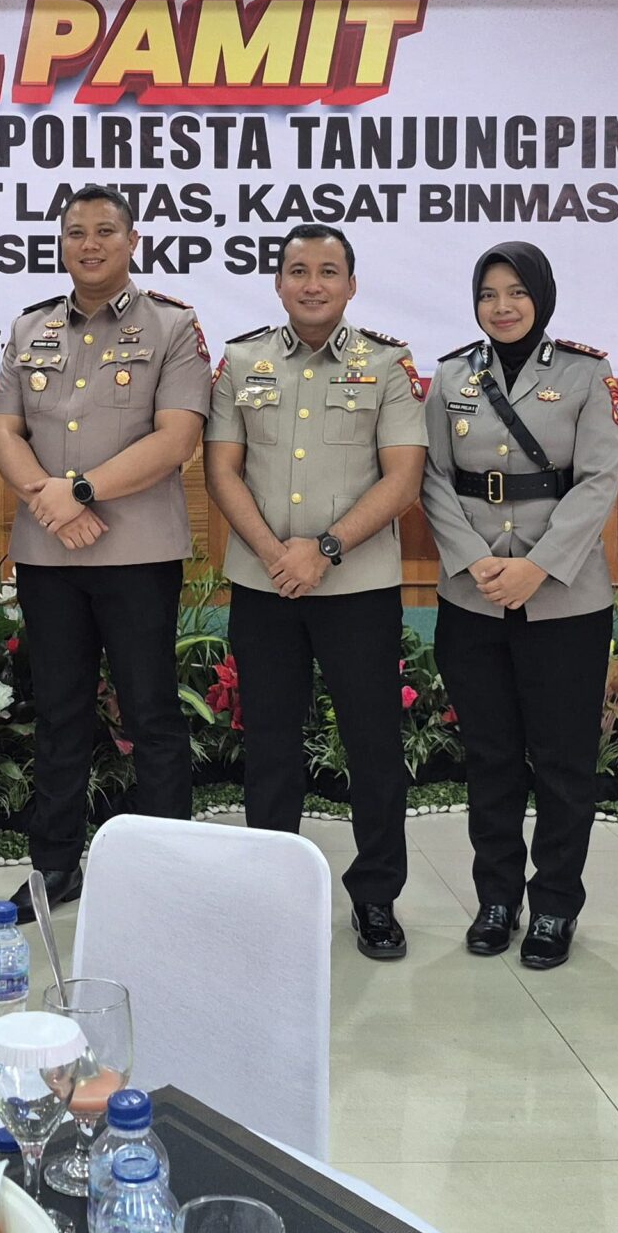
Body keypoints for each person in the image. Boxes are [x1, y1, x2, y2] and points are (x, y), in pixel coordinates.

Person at [0, 184, 210, 920]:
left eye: (105, 231)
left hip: (137, 555)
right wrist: (49, 500)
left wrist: (78, 491)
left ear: (132, 241)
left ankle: (166, 875)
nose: (89, 243)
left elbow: (177, 438)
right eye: (76, 231)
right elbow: (4, 430)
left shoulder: (172, 326)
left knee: (151, 714)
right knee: (59, 715)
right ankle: (55, 869)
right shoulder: (30, 327)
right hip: (49, 556)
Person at [205, 225, 426, 962]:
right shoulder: (242, 361)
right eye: (297, 270)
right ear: (278, 283)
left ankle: (376, 897)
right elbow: (222, 469)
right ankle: (273, 892)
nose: (312, 283)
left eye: (328, 271)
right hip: (265, 584)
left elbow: (403, 477)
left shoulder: (386, 364)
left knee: (372, 743)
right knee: (270, 741)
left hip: (356, 585)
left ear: (351, 285)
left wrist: (324, 550)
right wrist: (278, 556)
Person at [420, 240, 618, 967]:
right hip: (473, 598)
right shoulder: (451, 376)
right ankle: (497, 899)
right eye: (488, 294)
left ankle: (556, 905)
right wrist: (476, 561)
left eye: (516, 292)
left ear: (542, 296)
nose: (502, 307)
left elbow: (599, 479)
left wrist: (538, 567)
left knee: (564, 763)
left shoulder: (584, 373)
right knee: (491, 757)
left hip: (564, 599)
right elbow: (432, 478)